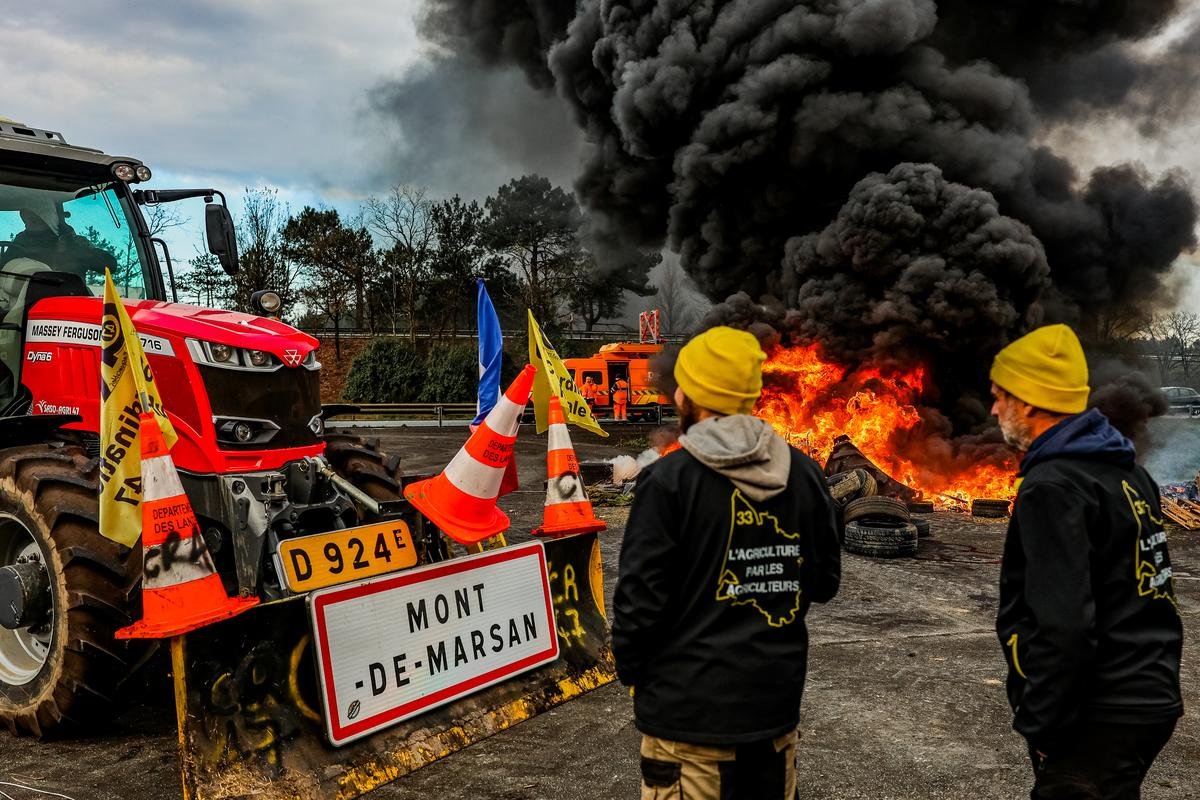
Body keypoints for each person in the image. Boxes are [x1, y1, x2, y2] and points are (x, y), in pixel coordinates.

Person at [612, 326, 841, 800]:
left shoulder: (668, 482)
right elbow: (823, 583)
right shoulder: (803, 473)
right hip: (772, 712)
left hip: (687, 721)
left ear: (690, 396)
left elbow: (638, 602)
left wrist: (635, 675)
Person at [990, 323, 1183, 800]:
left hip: (1097, 712)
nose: (993, 408)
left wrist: (1042, 725)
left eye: (1000, 395)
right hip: (1149, 697)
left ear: (1030, 401)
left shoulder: (1053, 487)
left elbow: (1065, 627)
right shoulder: (1129, 473)